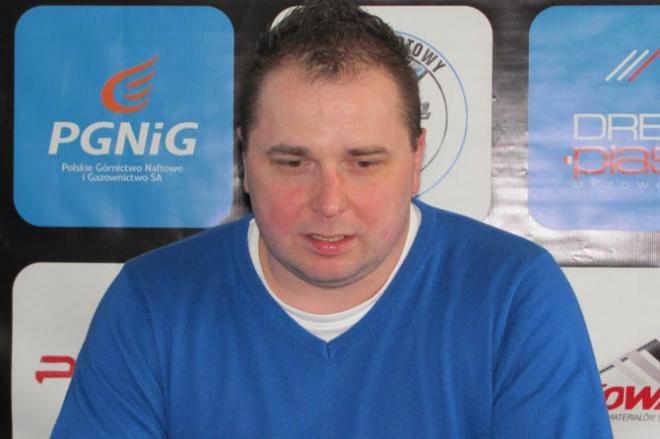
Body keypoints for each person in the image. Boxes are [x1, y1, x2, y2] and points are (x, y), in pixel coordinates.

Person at [53, 0, 612, 437]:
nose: (329, 201)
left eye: (363, 163)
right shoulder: (151, 303)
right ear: (245, 159)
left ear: (416, 158)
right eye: (292, 163)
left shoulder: (514, 296)